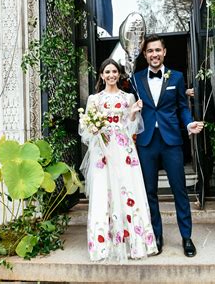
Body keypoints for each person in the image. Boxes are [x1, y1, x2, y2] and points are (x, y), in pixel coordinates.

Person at [131, 34, 204, 257]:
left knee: (179, 190)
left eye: (157, 50)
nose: (154, 54)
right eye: (150, 51)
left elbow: (182, 106)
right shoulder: (136, 79)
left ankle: (186, 237)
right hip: (146, 142)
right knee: (150, 192)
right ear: (144, 55)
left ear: (164, 52)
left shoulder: (177, 77)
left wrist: (189, 122)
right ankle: (156, 236)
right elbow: (131, 108)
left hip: (172, 141)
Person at [79, 58, 158, 262]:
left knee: (128, 188)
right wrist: (95, 129)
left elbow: (133, 128)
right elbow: (85, 130)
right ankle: (103, 245)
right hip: (103, 151)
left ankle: (136, 243)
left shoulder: (128, 97)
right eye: (107, 72)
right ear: (102, 75)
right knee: (103, 191)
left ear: (119, 74)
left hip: (124, 149)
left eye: (114, 71)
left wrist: (132, 114)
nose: (111, 75)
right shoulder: (94, 100)